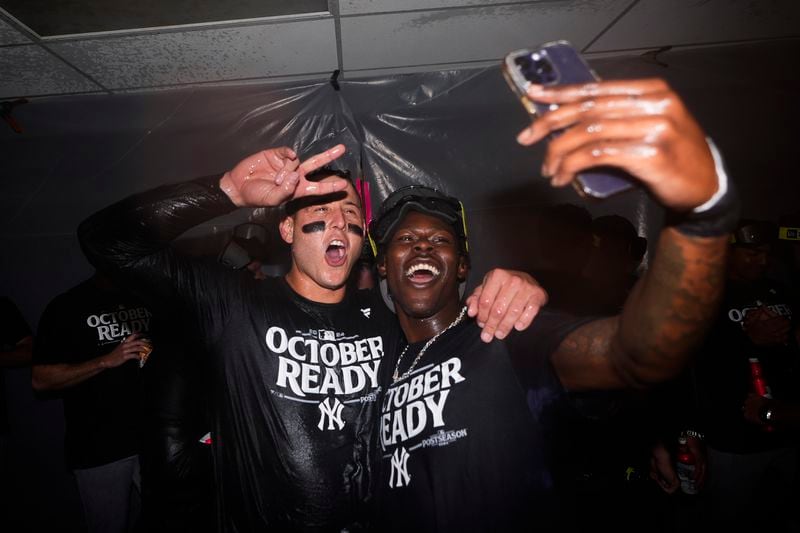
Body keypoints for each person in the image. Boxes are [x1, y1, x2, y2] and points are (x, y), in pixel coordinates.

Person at [77, 147, 545, 531]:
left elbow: (446, 321)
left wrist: (519, 285)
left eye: (349, 214)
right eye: (320, 212)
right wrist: (226, 191)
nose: (338, 223)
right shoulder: (235, 306)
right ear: (287, 230)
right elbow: (105, 240)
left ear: (363, 242)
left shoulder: (384, 321)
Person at [366, 77, 739, 532]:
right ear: (383, 266)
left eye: (439, 240)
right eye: (405, 240)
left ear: (463, 267)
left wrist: (698, 217)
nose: (422, 247)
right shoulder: (376, 363)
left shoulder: (504, 333)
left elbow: (639, 354)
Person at [650, 217, 800, 532]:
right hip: (732, 436)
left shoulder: (778, 289)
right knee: (726, 517)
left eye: (766, 252)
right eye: (752, 253)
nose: (763, 260)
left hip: (786, 426)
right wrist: (745, 338)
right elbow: (685, 362)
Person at [31, 271, 155, 533]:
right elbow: (41, 380)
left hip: (153, 440)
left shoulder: (147, 296)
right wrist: (104, 361)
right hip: (99, 447)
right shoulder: (68, 306)